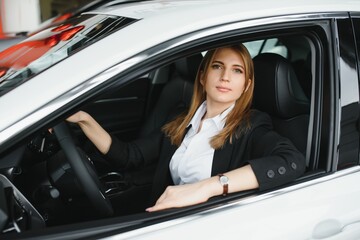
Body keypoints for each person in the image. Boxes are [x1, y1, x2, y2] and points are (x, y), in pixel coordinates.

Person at [67, 44, 306, 212]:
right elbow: (130, 155)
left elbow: (291, 161)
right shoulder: (181, 120)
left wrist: (209, 187)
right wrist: (84, 120)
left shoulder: (251, 125)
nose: (225, 76)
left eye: (237, 71)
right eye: (217, 66)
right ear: (202, 76)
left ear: (246, 86)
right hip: (165, 215)